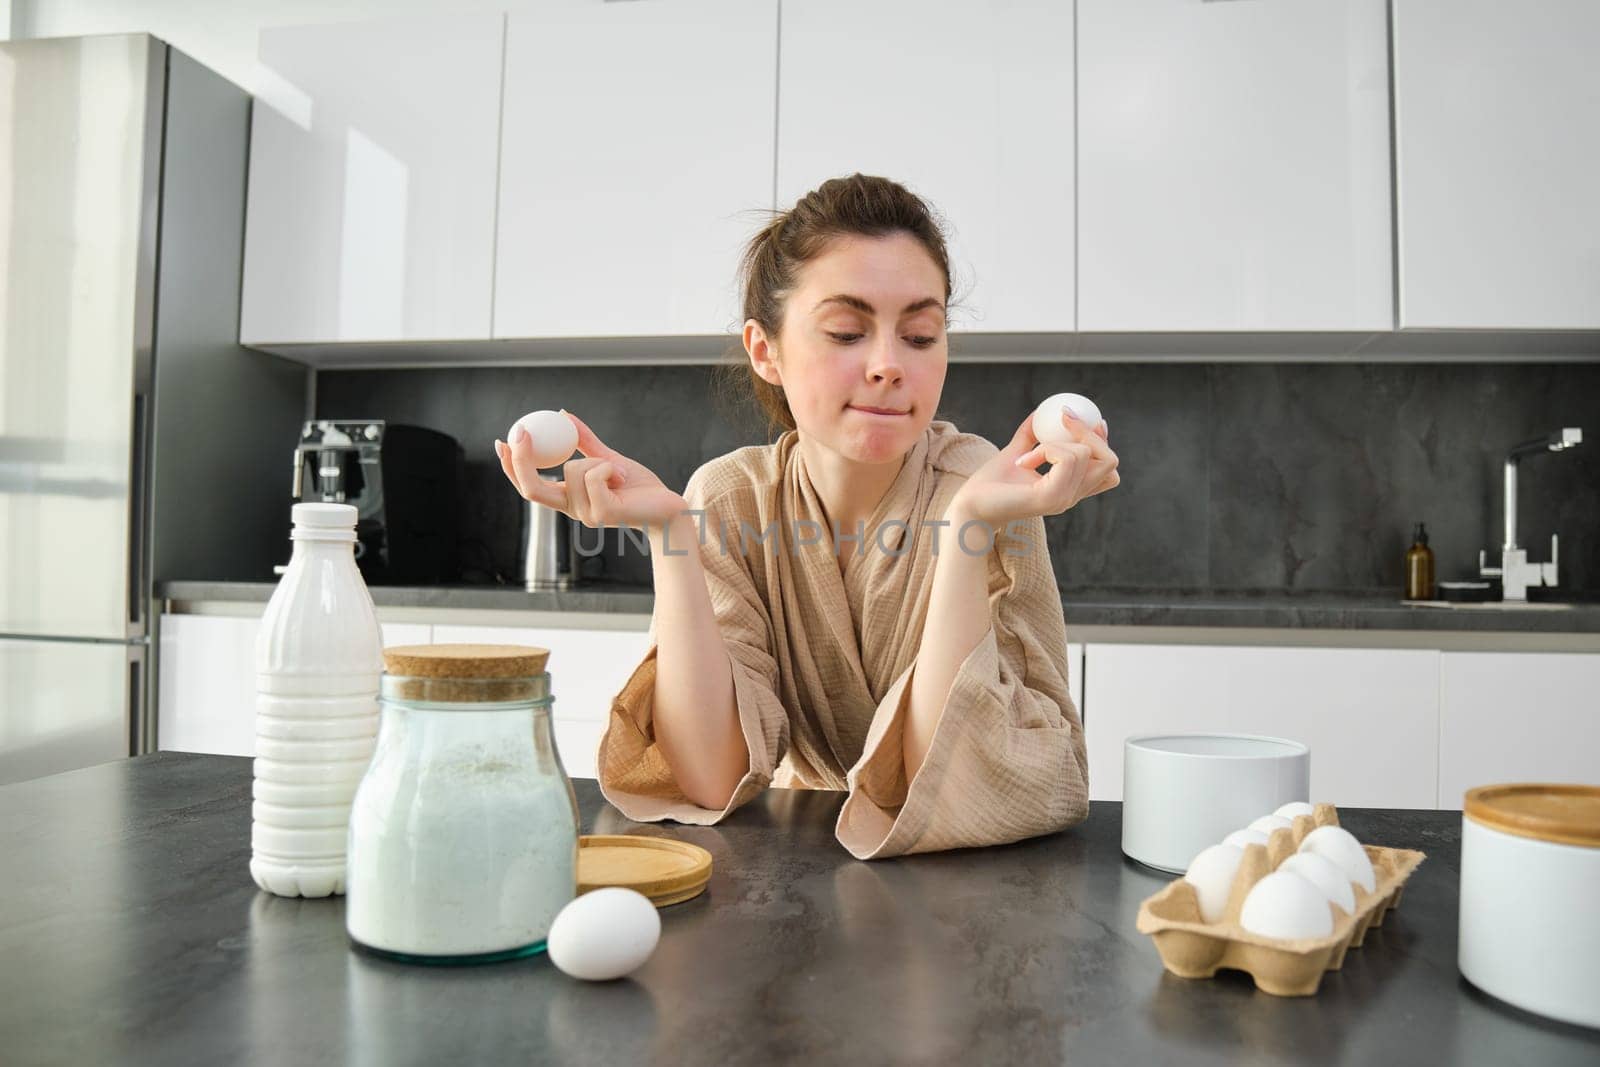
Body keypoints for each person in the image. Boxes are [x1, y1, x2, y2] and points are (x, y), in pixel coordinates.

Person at [495, 174, 1120, 859]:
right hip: (796, 875)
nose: (888, 364)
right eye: (848, 331)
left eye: (919, 335)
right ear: (766, 350)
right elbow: (706, 776)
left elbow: (954, 781)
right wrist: (671, 534)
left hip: (968, 894)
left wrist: (969, 530)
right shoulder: (731, 499)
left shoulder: (983, 490)